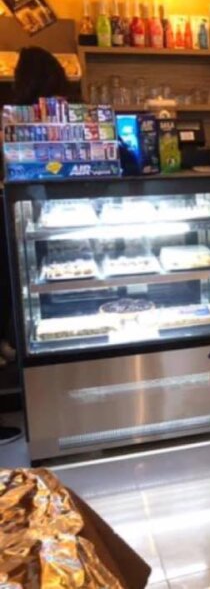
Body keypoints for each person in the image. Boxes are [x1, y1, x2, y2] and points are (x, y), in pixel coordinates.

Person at [0, 47, 70, 445]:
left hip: (18, 217)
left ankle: (27, 347)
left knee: (24, 293)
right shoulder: (63, 114)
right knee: (34, 292)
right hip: (34, 214)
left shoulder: (11, 118)